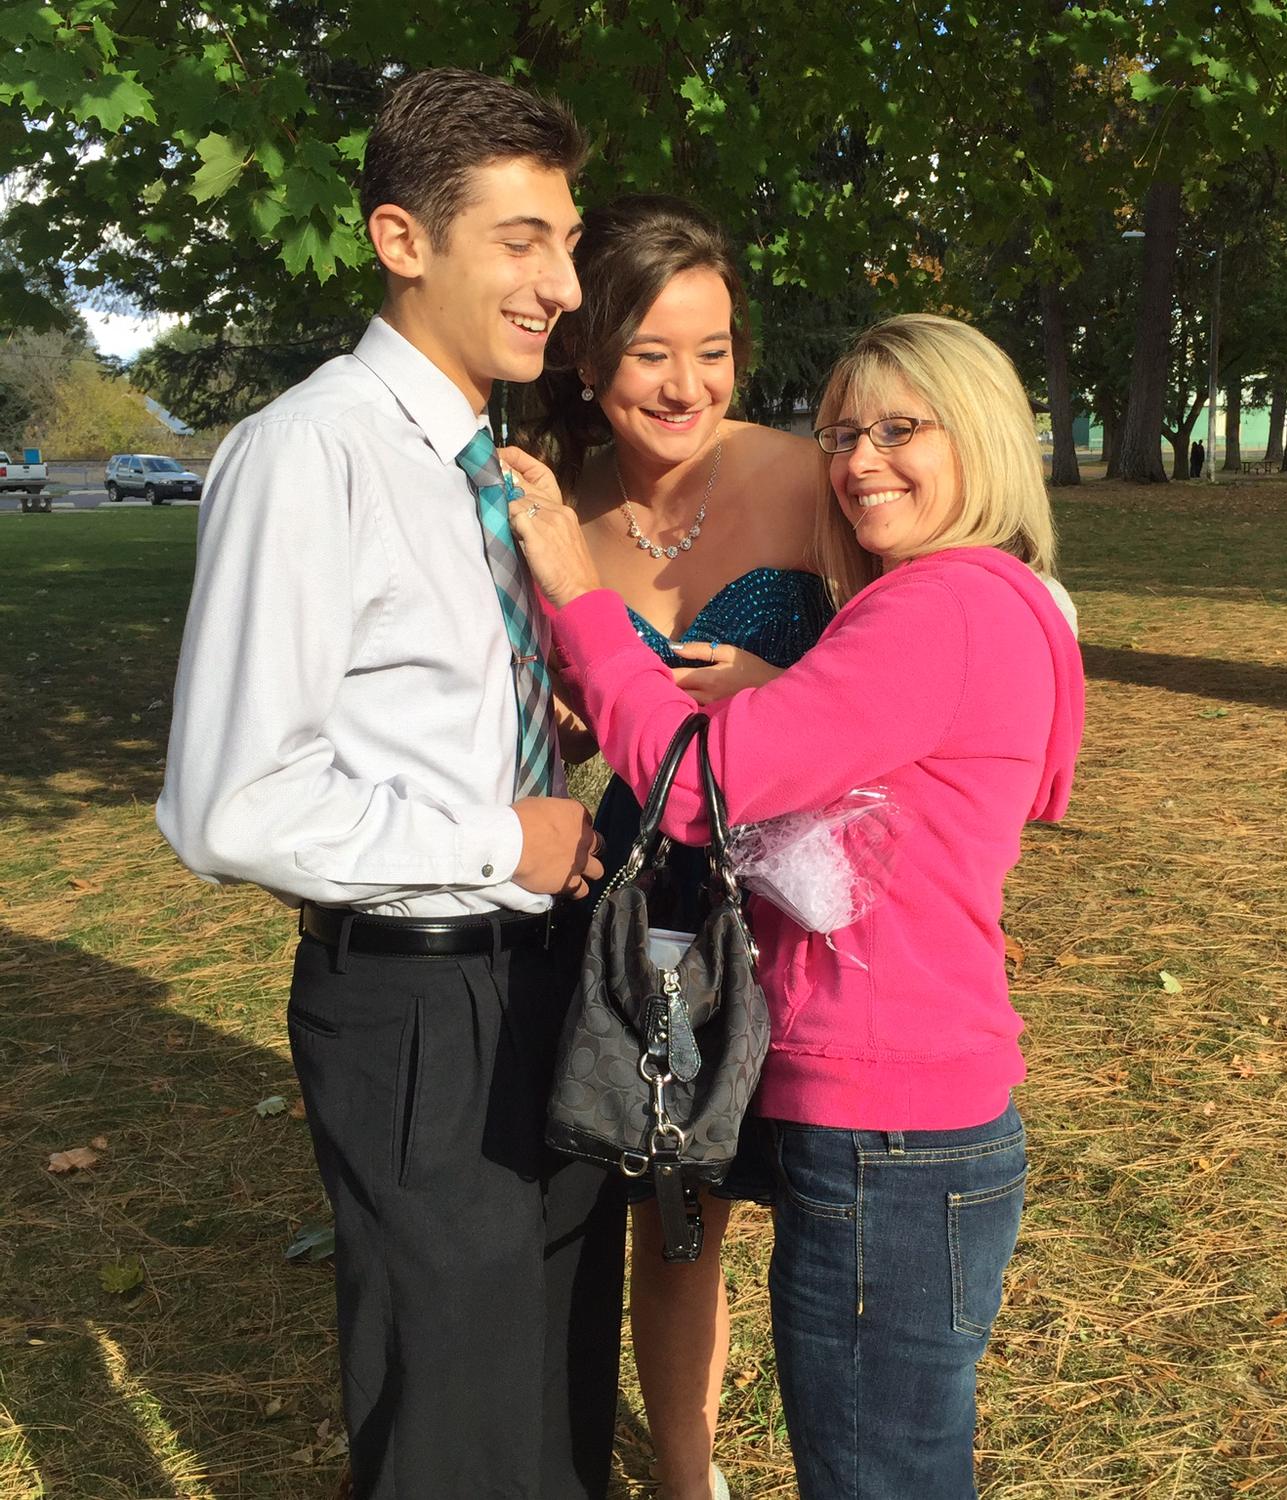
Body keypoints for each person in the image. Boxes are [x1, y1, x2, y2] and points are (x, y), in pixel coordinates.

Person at [512, 312, 1085, 1498]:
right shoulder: (981, 598)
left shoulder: (939, 609)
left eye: (899, 430)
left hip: (889, 1124)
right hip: (909, 1113)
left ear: (979, 435)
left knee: (877, 1471)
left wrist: (577, 596)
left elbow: (694, 789)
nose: (860, 462)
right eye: (842, 434)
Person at [156, 69, 625, 1500]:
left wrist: (535, 719)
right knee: (456, 1425)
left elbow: (405, 707)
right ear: (402, 239)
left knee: (555, 1394)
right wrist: (501, 835)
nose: (563, 284)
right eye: (521, 240)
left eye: (567, 241)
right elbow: (231, 803)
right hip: (423, 1010)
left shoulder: (486, 462)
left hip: (547, 976)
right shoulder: (311, 454)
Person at [523, 194, 834, 1500]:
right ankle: (686, 1478)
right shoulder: (555, 512)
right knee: (675, 1210)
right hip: (650, 899)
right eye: (652, 353)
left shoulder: (812, 478)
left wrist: (782, 685)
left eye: (713, 350)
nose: (687, 384)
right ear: (589, 358)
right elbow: (557, 715)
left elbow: (910, 655)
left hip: (805, 888)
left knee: (825, 1194)